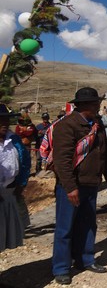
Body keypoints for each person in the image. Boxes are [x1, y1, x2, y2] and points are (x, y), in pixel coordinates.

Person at [51, 87, 107, 285]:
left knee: (88, 224)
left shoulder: (97, 125)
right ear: (86, 105)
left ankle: (85, 259)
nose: (99, 106)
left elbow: (104, 153)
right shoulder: (67, 126)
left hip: (91, 183)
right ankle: (61, 268)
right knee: (65, 228)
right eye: (96, 103)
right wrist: (70, 187)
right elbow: (61, 160)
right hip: (71, 186)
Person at [0, 104, 31, 252]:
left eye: (6, 120)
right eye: (0, 121)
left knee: (3, 236)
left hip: (9, 194)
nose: (4, 124)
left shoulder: (14, 141)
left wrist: (21, 183)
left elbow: (25, 161)